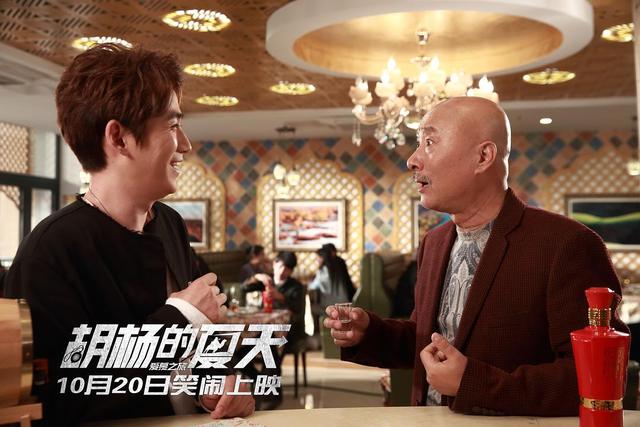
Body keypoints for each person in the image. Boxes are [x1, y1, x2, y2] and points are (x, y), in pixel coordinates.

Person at [324, 96, 628, 416]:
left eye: (429, 142)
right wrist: (369, 333)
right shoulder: (434, 243)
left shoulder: (566, 244)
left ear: (483, 156)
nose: (413, 160)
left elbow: (598, 376)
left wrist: (474, 384)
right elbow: (429, 340)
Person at [4, 44, 254, 425]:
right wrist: (181, 316)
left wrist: (219, 383)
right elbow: (61, 402)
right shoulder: (49, 251)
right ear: (119, 138)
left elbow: (200, 349)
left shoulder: (169, 224)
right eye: (172, 126)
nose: (185, 144)